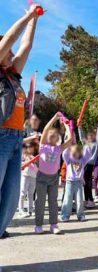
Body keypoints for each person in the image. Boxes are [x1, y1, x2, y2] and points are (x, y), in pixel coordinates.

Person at [0, 4, 41, 239]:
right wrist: (27, 16)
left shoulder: (13, 75)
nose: (12, 53)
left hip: (16, 139)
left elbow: (26, 45)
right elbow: (11, 37)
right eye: (8, 51)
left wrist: (35, 19)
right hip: (1, 135)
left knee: (11, 199)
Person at [35, 113, 73, 234]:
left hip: (53, 178)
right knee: (40, 202)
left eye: (55, 135)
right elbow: (46, 128)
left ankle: (54, 224)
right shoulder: (42, 146)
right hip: (41, 177)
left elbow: (70, 140)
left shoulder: (59, 148)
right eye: (51, 134)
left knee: (53, 201)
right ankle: (38, 225)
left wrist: (67, 125)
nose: (53, 136)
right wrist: (55, 118)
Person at [60, 140, 98, 222]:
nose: (74, 153)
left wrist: (86, 144)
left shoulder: (82, 160)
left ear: (80, 153)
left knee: (80, 200)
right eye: (73, 152)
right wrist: (68, 144)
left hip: (79, 182)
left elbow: (88, 154)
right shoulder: (68, 160)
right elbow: (64, 153)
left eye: (76, 151)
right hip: (69, 182)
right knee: (67, 199)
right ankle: (65, 215)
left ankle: (80, 215)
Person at [78, 121, 98, 208]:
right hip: (84, 164)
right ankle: (87, 199)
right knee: (85, 182)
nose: (90, 137)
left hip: (90, 164)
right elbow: (81, 137)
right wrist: (79, 127)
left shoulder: (96, 144)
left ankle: (91, 200)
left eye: (92, 135)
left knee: (88, 182)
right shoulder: (86, 143)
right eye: (89, 136)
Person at [18, 142, 39, 218]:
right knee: (23, 193)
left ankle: (30, 210)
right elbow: (21, 165)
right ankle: (21, 210)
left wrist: (34, 160)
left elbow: (38, 166)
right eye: (28, 147)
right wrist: (28, 161)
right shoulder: (23, 156)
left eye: (31, 147)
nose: (30, 148)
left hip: (33, 177)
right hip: (25, 175)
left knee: (31, 194)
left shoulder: (36, 156)